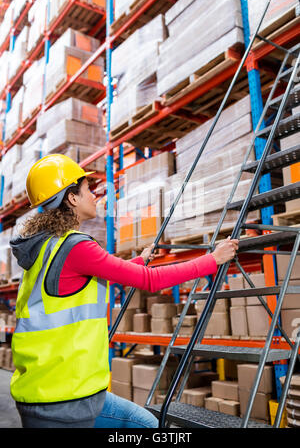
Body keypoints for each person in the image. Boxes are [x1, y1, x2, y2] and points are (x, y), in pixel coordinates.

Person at [9, 154, 239, 429]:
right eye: (87, 190)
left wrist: (138, 262)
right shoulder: (76, 246)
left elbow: (81, 279)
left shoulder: (44, 248)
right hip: (64, 399)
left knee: (143, 422)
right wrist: (212, 260)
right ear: (72, 198)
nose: (94, 196)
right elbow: (150, 281)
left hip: (46, 389)